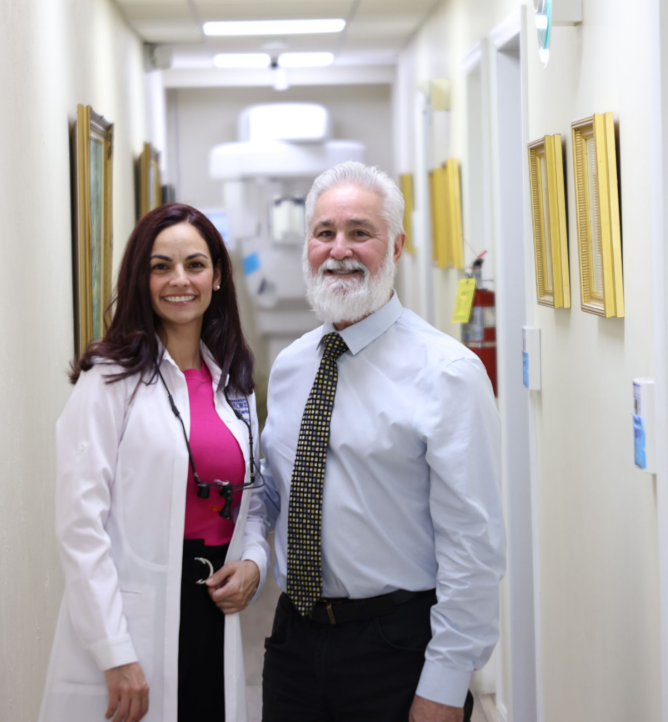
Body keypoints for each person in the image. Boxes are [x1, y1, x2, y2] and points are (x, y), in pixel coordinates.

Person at [243, 162, 506, 722]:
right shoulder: (290, 368)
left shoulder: (447, 373)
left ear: (396, 246)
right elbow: (271, 491)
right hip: (294, 640)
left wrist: (445, 682)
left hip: (397, 649)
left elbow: (474, 546)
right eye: (325, 233)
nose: (340, 250)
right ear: (307, 245)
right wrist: (249, 557)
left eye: (360, 232)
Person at [38, 203, 269, 722]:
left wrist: (254, 560)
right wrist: (113, 650)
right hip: (134, 618)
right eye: (160, 266)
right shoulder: (109, 380)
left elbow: (252, 499)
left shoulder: (233, 381)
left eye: (194, 264)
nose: (179, 280)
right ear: (140, 279)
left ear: (217, 278)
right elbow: (80, 527)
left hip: (214, 609)